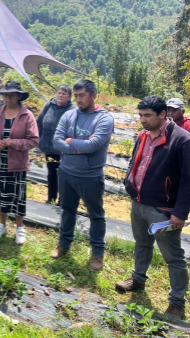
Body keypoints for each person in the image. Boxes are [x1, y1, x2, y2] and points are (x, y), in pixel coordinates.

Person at [116, 96, 190, 320]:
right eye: (140, 115)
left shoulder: (182, 140)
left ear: (163, 114)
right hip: (139, 202)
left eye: (147, 115)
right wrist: (129, 183)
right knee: (142, 243)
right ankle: (138, 279)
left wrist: (179, 213)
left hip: (163, 209)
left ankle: (177, 302)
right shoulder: (142, 135)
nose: (142, 120)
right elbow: (135, 162)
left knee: (173, 256)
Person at [51, 79, 114, 271]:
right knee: (67, 210)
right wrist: (79, 148)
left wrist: (70, 142)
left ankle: (97, 253)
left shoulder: (104, 119)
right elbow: (56, 141)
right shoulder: (69, 115)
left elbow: (93, 145)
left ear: (94, 96)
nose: (78, 100)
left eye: (82, 95)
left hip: (90, 176)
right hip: (66, 172)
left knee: (96, 215)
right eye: (76, 96)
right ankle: (63, 244)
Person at [0, 81, 39, 245]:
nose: (8, 98)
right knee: (1, 195)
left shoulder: (26, 115)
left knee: (17, 198)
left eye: (12, 95)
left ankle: (20, 228)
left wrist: (14, 143)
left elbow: (33, 140)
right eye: (5, 95)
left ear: (19, 97)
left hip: (16, 165)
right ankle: (2, 224)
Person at [36, 84, 75, 204]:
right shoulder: (49, 105)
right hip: (48, 146)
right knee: (51, 173)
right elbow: (39, 122)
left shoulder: (72, 110)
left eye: (64, 94)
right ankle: (51, 198)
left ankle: (62, 201)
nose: (61, 95)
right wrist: (39, 138)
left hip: (63, 149)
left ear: (69, 97)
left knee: (63, 175)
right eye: (59, 93)